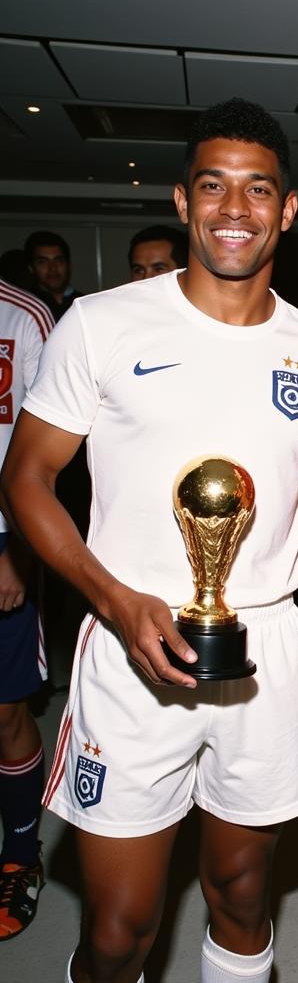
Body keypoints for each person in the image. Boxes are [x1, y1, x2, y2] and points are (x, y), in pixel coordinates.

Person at [1, 97, 298, 983]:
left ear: (287, 210)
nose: (234, 209)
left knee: (243, 894)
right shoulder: (103, 323)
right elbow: (25, 478)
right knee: (121, 927)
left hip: (269, 648)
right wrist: (113, 599)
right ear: (182, 200)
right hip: (132, 640)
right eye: (214, 186)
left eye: (258, 190)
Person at [0, 277, 53, 942]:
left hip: (2, 535)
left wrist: (16, 550)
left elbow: (37, 452)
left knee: (6, 707)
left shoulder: (24, 315)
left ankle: (19, 852)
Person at [24, 230, 82, 321]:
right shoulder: (27, 307)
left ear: (69, 265)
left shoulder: (84, 303)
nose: (52, 268)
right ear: (31, 268)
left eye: (59, 261)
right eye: (42, 262)